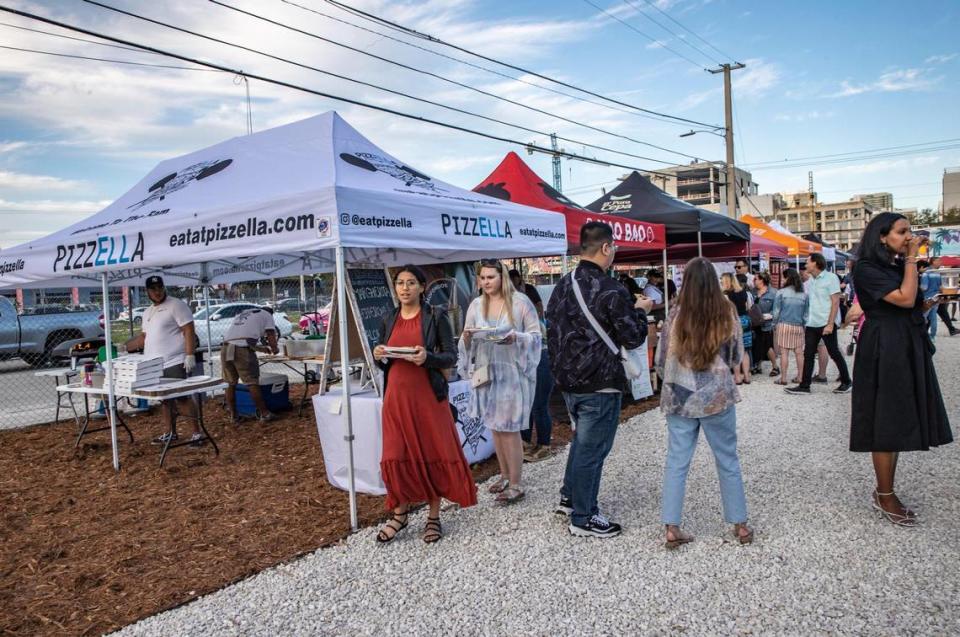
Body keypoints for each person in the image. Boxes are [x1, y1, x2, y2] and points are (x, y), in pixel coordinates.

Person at [546, 221, 653, 538]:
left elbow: (552, 330)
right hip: (600, 380)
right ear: (606, 248)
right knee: (592, 450)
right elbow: (632, 338)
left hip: (568, 381)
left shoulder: (563, 285)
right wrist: (641, 310)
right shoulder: (611, 289)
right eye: (614, 248)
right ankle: (583, 515)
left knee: (582, 443)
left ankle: (570, 497)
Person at [850, 213, 952, 526]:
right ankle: (884, 494)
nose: (909, 236)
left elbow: (909, 303)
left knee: (896, 416)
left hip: (903, 342)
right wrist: (911, 259)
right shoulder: (866, 268)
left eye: (909, 231)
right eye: (902, 231)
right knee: (885, 420)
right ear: (882, 236)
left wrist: (929, 302)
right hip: (884, 346)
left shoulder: (892, 266)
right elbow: (905, 299)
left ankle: (885, 490)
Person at [372, 265, 476, 544]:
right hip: (396, 398)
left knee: (431, 453)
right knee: (396, 453)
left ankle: (433, 516)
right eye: (400, 283)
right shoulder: (387, 319)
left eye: (410, 283)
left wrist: (426, 357)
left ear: (421, 287)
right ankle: (400, 514)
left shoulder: (436, 316)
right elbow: (383, 359)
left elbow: (450, 357)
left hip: (428, 398)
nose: (405, 288)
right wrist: (378, 353)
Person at [655, 257, 753, 548]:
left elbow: (661, 359)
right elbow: (736, 354)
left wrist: (671, 377)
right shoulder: (726, 311)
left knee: (677, 461)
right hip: (717, 395)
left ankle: (672, 526)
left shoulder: (675, 314)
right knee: (727, 459)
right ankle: (740, 524)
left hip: (680, 397)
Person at [458, 259, 541, 504]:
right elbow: (466, 339)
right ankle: (504, 475)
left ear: (502, 277)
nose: (486, 282)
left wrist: (516, 338)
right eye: (482, 278)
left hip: (511, 372)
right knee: (494, 425)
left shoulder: (520, 302)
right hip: (486, 370)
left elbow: (537, 336)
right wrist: (467, 337)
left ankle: (516, 483)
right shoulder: (475, 304)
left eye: (490, 277)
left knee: (509, 428)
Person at [124, 276, 203, 446]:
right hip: (155, 365)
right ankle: (170, 432)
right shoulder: (147, 312)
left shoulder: (176, 305)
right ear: (148, 292)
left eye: (160, 288)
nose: (158, 292)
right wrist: (124, 348)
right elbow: (144, 338)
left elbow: (188, 330)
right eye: (154, 289)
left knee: (182, 397)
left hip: (174, 360)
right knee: (165, 399)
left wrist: (189, 355)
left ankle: (196, 434)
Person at [785, 253, 852, 395]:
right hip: (812, 323)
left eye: (807, 262)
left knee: (834, 352)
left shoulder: (831, 278)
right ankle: (804, 386)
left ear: (815, 263)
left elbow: (835, 302)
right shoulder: (812, 281)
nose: (805, 265)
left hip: (826, 322)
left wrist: (830, 324)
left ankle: (847, 382)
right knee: (808, 354)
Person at [511, 269, 554, 462]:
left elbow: (537, 338)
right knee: (525, 404)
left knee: (538, 405)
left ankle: (544, 444)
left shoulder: (533, 317)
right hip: (523, 361)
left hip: (541, 358)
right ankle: (525, 442)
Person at [221, 306, 280, 423]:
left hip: (226, 347)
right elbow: (271, 334)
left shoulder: (245, 313)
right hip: (242, 351)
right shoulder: (267, 315)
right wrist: (275, 348)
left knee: (230, 383)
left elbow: (242, 339)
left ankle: (234, 416)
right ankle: (264, 413)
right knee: (251, 381)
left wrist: (262, 349)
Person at [772, 268, 808, 386]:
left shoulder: (781, 293)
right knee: (799, 353)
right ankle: (800, 377)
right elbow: (806, 314)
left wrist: (774, 324)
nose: (782, 279)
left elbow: (776, 312)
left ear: (787, 278)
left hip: (784, 324)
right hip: (798, 326)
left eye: (783, 277)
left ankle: (783, 378)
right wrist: (804, 326)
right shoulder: (804, 295)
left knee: (784, 353)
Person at [720, 273, 752, 385]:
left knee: (735, 350)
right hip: (745, 320)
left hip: (733, 321)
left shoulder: (725, 294)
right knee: (745, 350)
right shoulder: (744, 292)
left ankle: (738, 377)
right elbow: (748, 307)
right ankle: (747, 376)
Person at [750, 272, 778, 377]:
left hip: (767, 323)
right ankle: (758, 365)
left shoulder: (773, 293)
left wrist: (769, 316)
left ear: (762, 280)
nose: (754, 281)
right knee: (757, 344)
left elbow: (777, 309)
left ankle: (775, 367)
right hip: (755, 323)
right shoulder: (753, 292)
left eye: (755, 279)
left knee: (767, 345)